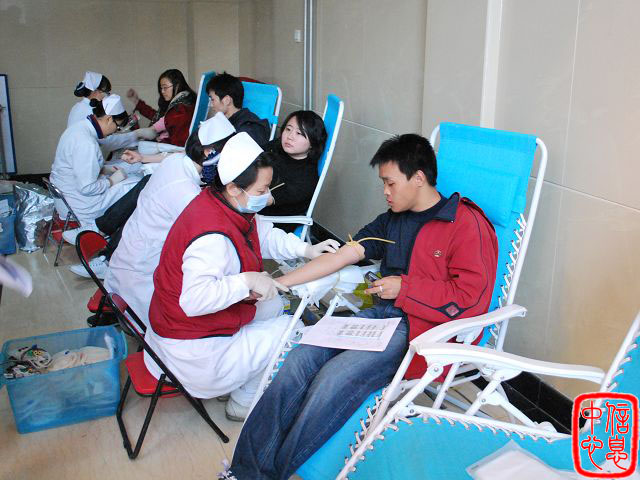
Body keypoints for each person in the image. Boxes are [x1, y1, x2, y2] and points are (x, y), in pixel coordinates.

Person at [224, 134, 499, 480]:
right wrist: (279, 283)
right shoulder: (392, 220)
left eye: (390, 183)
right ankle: (245, 472)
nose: (385, 191)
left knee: (333, 379)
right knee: (300, 358)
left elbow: (471, 297)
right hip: (377, 316)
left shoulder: (464, 223)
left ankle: (269, 474)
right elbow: (341, 256)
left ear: (418, 178)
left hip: (419, 330)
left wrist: (405, 287)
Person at [145, 132, 340, 422]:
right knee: (290, 328)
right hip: (189, 352)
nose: (268, 197)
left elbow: (263, 234)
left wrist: (306, 249)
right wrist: (245, 281)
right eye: (262, 189)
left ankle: (240, 374)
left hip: (174, 328)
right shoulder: (211, 235)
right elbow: (194, 300)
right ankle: (241, 401)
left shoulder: (221, 202)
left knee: (274, 306)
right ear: (234, 187)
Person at [100, 113, 236, 326]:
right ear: (209, 152)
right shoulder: (186, 192)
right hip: (142, 273)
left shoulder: (176, 162)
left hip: (127, 256)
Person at [50, 95, 142, 228]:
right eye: (117, 127)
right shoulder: (87, 143)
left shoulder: (77, 128)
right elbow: (87, 188)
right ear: (109, 119)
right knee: (137, 183)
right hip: (82, 207)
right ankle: (112, 230)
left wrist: (105, 169)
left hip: (66, 200)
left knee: (128, 177)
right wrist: (111, 181)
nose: (115, 132)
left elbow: (78, 166)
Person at [260, 110, 327, 232]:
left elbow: (259, 200)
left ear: (313, 142)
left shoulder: (305, 179)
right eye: (288, 129)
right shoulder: (277, 147)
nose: (290, 136)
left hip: (270, 226)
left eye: (299, 133)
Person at [68, 71, 144, 152]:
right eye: (107, 93)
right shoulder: (90, 111)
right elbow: (107, 142)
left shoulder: (77, 107)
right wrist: (136, 135)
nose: (108, 96)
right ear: (96, 91)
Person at [127, 69, 196, 147]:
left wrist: (160, 139)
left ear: (177, 86)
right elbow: (157, 117)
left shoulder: (181, 109)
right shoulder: (179, 103)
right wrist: (136, 101)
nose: (162, 91)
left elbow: (178, 142)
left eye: (165, 87)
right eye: (161, 88)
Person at [206, 72, 270, 147]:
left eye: (212, 99)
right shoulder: (227, 123)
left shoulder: (248, 130)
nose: (210, 105)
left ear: (227, 100)